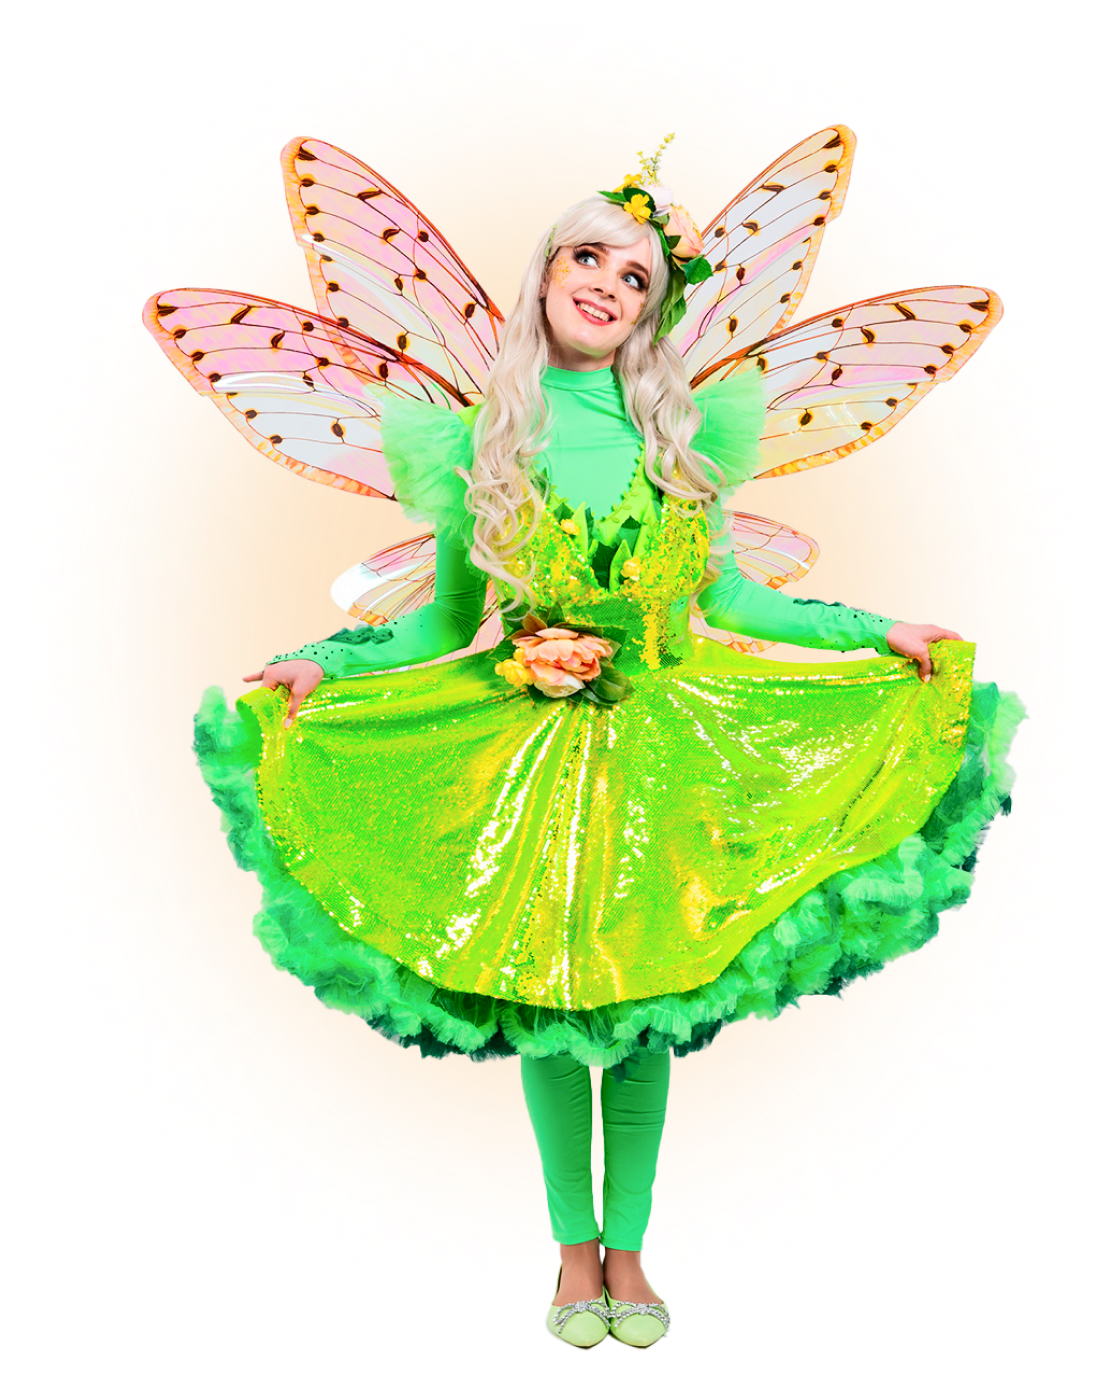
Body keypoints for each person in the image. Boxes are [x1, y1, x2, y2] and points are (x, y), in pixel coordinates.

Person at [195, 178, 1024, 1352]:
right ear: (544, 272)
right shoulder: (483, 443)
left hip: (665, 744)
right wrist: (321, 663)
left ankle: (627, 1252)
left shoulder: (678, 444)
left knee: (641, 1009)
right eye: (587, 258)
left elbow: (736, 602)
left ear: (649, 312)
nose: (606, 286)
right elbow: (444, 624)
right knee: (547, 998)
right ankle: (570, 1254)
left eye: (635, 278)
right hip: (524, 748)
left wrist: (875, 631)